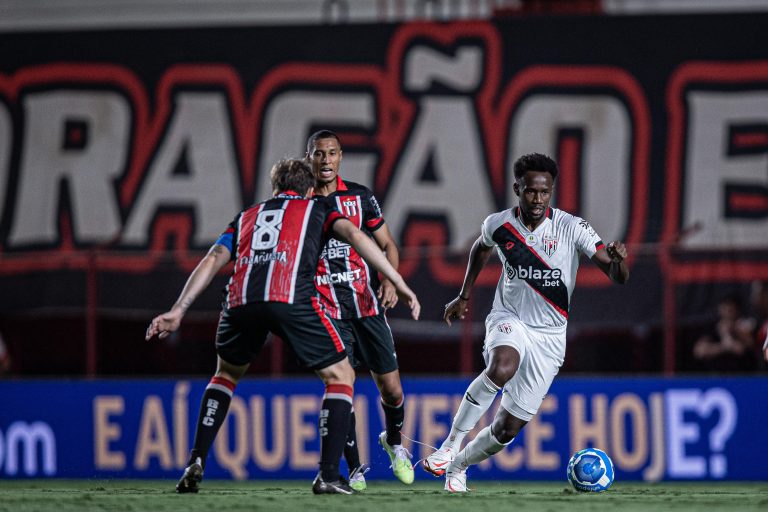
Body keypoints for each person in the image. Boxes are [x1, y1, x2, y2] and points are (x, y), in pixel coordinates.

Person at [145, 158, 420, 495]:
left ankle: (196, 459)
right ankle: (329, 475)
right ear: (308, 189)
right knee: (342, 376)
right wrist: (397, 279)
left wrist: (178, 310)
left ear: (274, 187)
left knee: (225, 375)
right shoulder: (316, 209)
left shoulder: (247, 216)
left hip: (239, 301)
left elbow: (213, 258)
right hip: (288, 298)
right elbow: (357, 237)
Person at [420, 152, 629, 492]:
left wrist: (620, 262)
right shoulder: (500, 224)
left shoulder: (572, 227)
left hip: (550, 337)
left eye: (545, 192)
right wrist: (464, 296)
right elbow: (480, 248)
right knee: (502, 366)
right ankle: (449, 446)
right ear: (518, 188)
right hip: (510, 319)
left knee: (507, 429)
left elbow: (617, 275)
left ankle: (458, 466)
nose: (538, 199)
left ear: (552, 191)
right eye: (531, 191)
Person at [307, 130, 414, 490]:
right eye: (319, 154)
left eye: (332, 153)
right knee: (343, 384)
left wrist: (387, 280)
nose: (325, 161)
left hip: (367, 306)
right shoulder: (299, 203)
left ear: (340, 158)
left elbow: (388, 245)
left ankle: (394, 443)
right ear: (310, 158)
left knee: (393, 390)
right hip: (327, 309)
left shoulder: (360, 197)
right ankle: (354, 469)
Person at [692, 294, 755, 372]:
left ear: (737, 310)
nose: (727, 312)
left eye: (731, 309)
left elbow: (740, 349)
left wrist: (728, 334)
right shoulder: (712, 328)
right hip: (715, 376)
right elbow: (700, 351)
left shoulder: (744, 326)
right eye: (725, 308)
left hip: (741, 376)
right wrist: (724, 347)